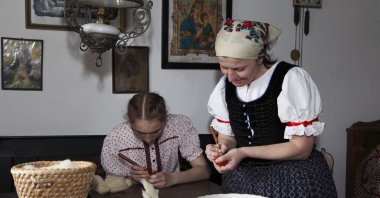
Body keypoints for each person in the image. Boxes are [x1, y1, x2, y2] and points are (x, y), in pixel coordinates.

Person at [205, 19, 337, 197]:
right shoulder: (224, 87)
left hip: (292, 180)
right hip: (242, 181)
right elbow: (228, 137)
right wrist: (222, 149)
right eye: (224, 67)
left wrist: (243, 152)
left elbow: (302, 148)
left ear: (259, 57)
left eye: (239, 68)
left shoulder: (290, 79)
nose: (230, 76)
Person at [101, 92, 210, 188]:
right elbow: (109, 184)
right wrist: (132, 179)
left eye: (155, 131)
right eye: (140, 133)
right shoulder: (116, 138)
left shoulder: (178, 126)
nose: (148, 139)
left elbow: (204, 171)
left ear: (165, 119)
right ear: (130, 122)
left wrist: (173, 178)